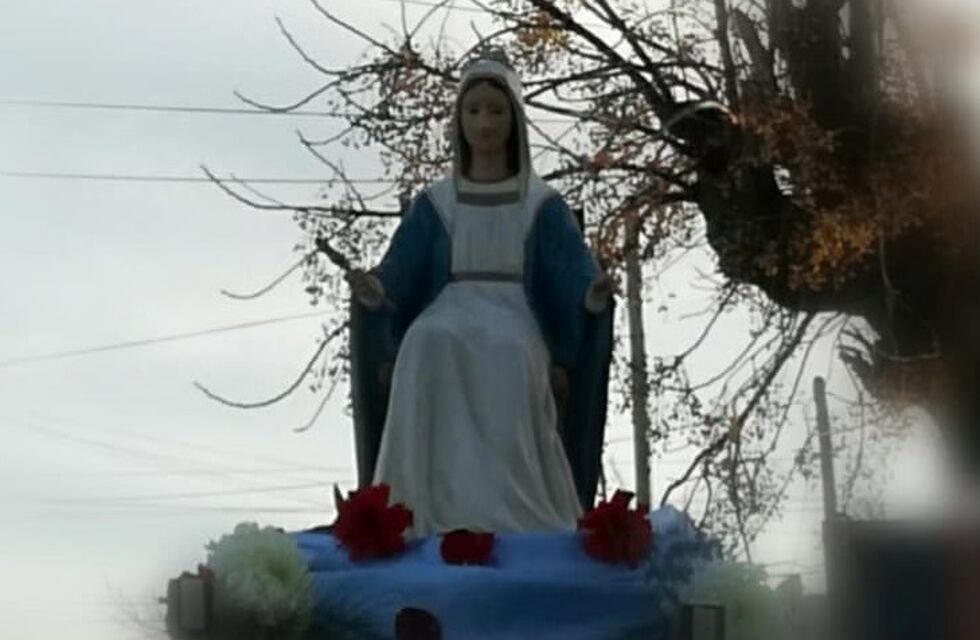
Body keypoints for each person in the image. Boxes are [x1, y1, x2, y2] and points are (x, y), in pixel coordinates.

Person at [346, 50, 614, 537]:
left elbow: (571, 268)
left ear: (514, 119)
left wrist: (590, 292)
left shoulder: (541, 203)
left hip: (516, 312)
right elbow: (400, 267)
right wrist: (376, 288)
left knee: (509, 356)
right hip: (450, 306)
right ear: (458, 120)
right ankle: (416, 512)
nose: (484, 123)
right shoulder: (436, 202)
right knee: (425, 345)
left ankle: (509, 514)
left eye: (495, 110)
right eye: (473, 111)